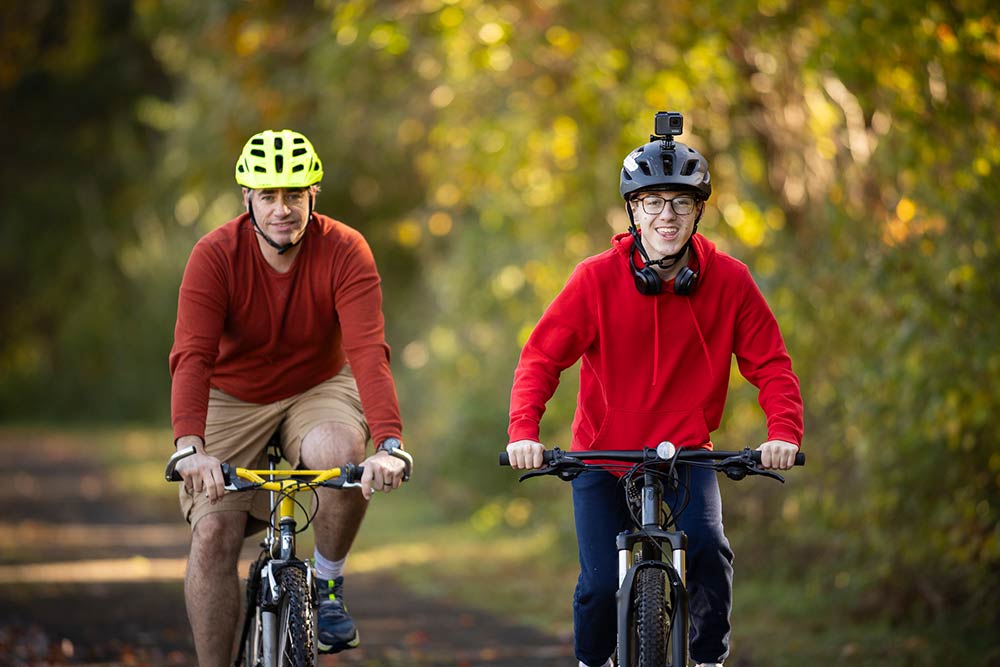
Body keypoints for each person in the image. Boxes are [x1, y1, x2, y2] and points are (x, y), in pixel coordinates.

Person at [505, 112, 803, 667]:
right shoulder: (595, 278)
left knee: (709, 551)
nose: (667, 215)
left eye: (681, 202)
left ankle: (709, 659)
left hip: (686, 451)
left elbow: (772, 364)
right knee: (597, 587)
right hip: (602, 453)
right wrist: (524, 431)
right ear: (633, 211)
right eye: (653, 202)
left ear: (698, 211)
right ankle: (592, 662)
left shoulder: (731, 281)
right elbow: (541, 358)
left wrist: (782, 432)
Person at [169, 128, 410, 666]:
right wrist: (190, 446)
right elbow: (191, 356)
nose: (283, 209)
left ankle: (326, 584)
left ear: (313, 196)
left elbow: (369, 351)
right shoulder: (214, 255)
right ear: (248, 200)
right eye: (269, 196)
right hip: (231, 395)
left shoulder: (345, 249)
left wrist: (389, 442)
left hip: (318, 385)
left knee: (341, 454)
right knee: (212, 535)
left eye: (295, 195)